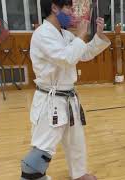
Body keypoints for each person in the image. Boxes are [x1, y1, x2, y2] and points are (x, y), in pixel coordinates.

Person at [20, 0, 111, 179]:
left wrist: (97, 36)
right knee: (42, 150)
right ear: (55, 8)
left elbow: (83, 53)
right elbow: (66, 58)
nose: (71, 12)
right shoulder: (42, 34)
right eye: (68, 7)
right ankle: (32, 176)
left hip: (69, 97)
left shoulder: (64, 34)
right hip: (50, 100)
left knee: (75, 142)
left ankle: (79, 173)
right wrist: (80, 35)